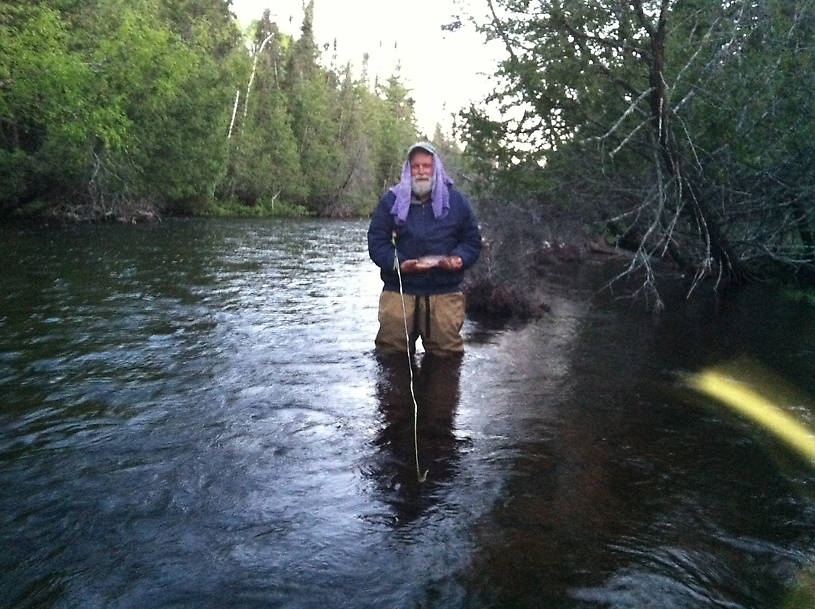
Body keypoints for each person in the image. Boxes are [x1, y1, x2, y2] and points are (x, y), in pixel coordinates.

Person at [367, 142, 482, 355]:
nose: (421, 171)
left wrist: (459, 259)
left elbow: (472, 241)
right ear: (408, 170)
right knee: (391, 357)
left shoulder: (457, 202)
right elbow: (377, 243)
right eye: (415, 166)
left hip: (444, 294)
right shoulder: (390, 201)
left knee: (447, 358)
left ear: (435, 168)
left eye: (426, 166)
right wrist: (399, 264)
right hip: (399, 292)